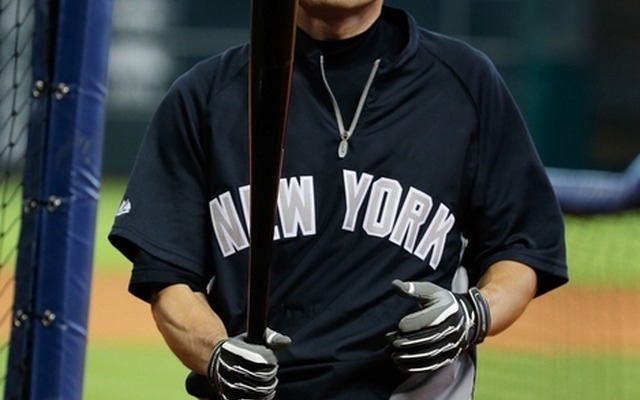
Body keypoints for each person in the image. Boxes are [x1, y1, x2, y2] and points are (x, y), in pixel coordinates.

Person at [109, 1, 569, 399]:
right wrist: (216, 354)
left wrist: (475, 312)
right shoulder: (206, 97)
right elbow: (168, 281)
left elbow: (521, 246)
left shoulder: (464, 85)